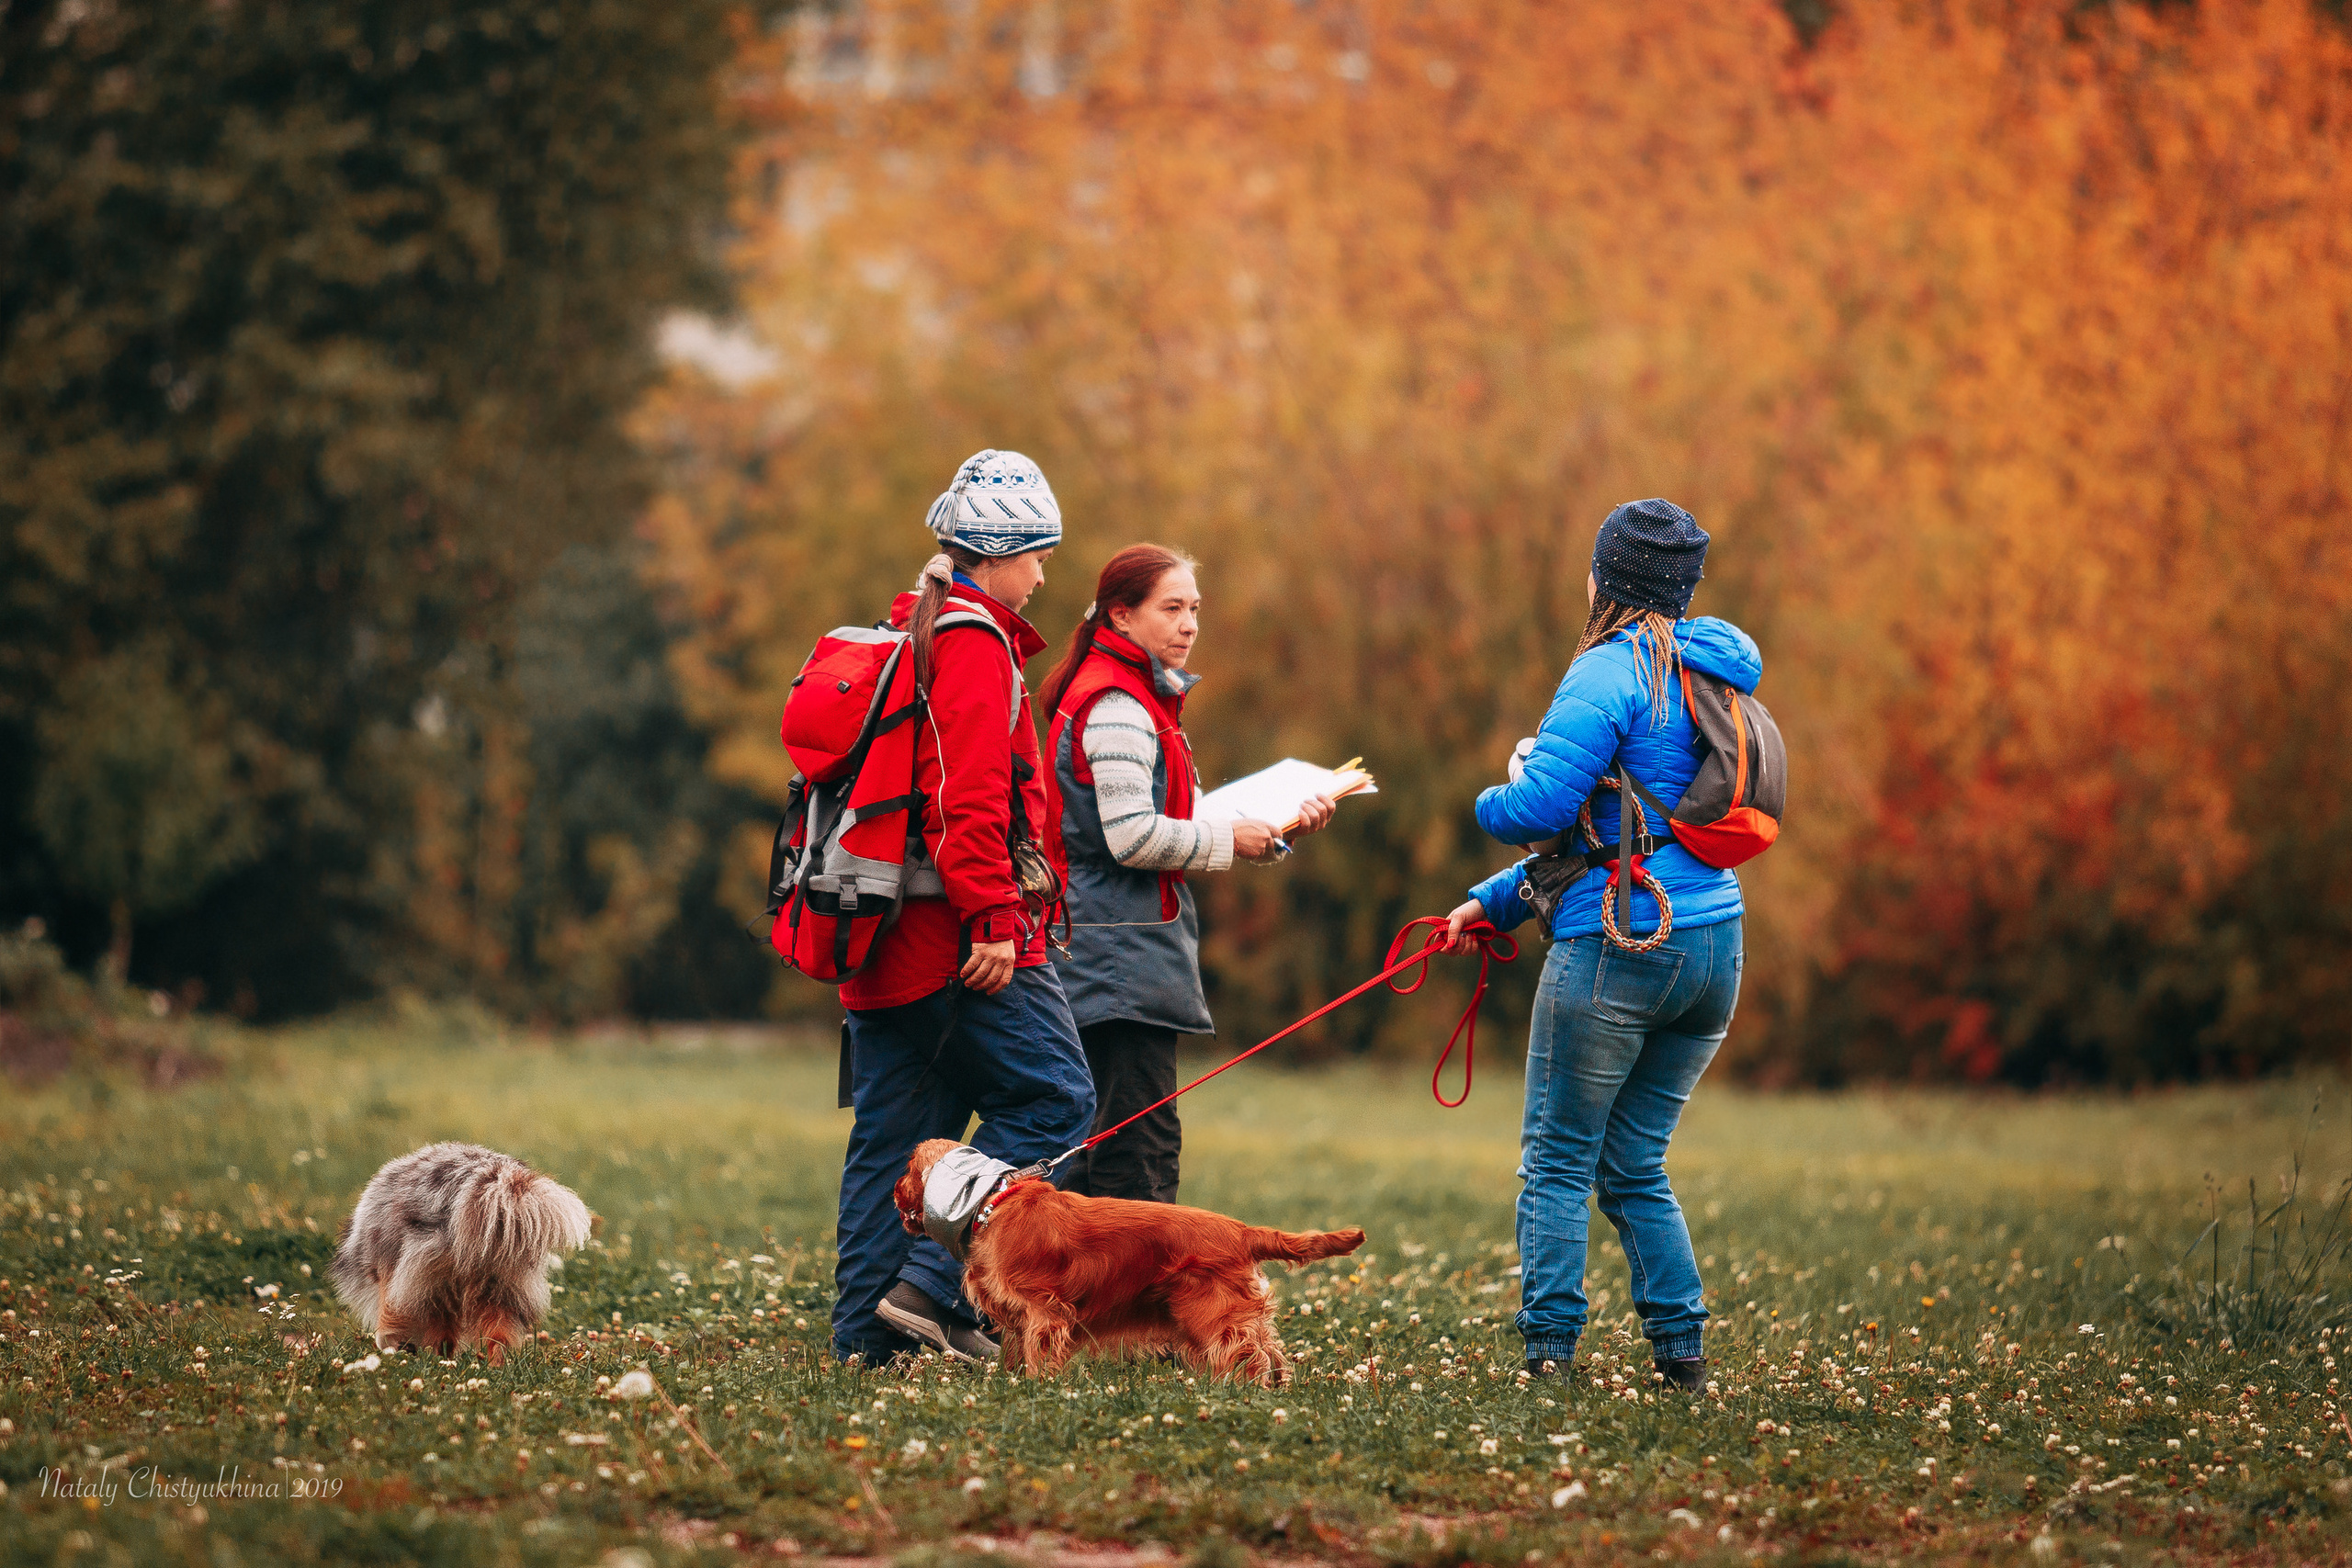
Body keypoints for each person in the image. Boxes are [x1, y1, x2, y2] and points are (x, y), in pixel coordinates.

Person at [1441, 499, 1758, 1392]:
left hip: (1621, 945)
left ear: (1603, 581)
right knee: (1633, 1162)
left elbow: (1541, 813)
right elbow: (1616, 830)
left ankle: (1549, 1357)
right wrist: (1491, 904)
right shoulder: (1710, 680)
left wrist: (1487, 798)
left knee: (1555, 1158)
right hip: (1712, 948)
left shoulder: (1608, 672)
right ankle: (1682, 1356)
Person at [831, 449, 1096, 1369]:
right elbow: (972, 800)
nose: (1042, 573)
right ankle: (931, 1292)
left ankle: (866, 1340)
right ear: (995, 554)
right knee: (1059, 1099)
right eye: (1034, 553)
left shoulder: (911, 627)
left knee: (892, 1141)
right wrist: (990, 919)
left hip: (879, 930)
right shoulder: (975, 646)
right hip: (955, 931)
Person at [1037, 545, 1333, 1204]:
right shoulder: (1117, 705)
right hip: (1113, 956)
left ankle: (1066, 1302)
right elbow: (1132, 835)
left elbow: (1165, 819)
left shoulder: (1139, 695)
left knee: (1101, 1145)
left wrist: (1274, 827)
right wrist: (1230, 838)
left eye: (1194, 608)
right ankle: (1124, 1306)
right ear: (1120, 615)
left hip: (1113, 947)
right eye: (1171, 608)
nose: (1189, 624)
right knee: (1134, 1149)